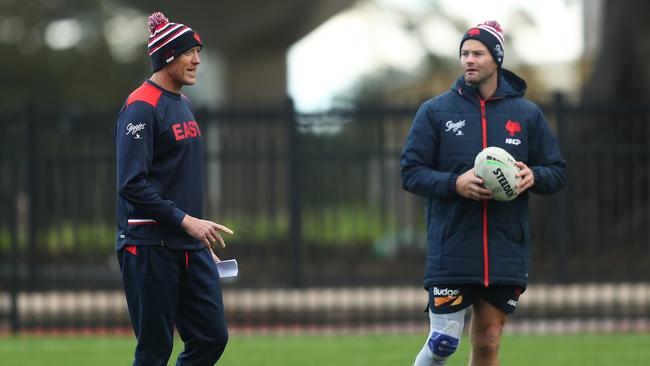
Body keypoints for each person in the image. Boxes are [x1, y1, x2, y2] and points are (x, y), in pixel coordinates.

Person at [400, 21, 565, 366]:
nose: (468, 60)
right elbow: (411, 172)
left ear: (497, 59)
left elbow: (556, 172)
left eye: (477, 53)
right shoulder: (435, 112)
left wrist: (533, 175)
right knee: (444, 341)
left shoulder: (527, 114)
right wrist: (454, 184)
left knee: (488, 342)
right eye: (464, 53)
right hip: (453, 246)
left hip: (505, 248)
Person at [115, 11, 234, 365]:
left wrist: (194, 234)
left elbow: (179, 179)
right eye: (189, 52)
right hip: (148, 246)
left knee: (212, 337)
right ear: (167, 56)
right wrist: (187, 222)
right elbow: (131, 184)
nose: (197, 59)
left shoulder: (183, 104)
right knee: (154, 351)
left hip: (187, 243)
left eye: (199, 51)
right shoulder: (140, 107)